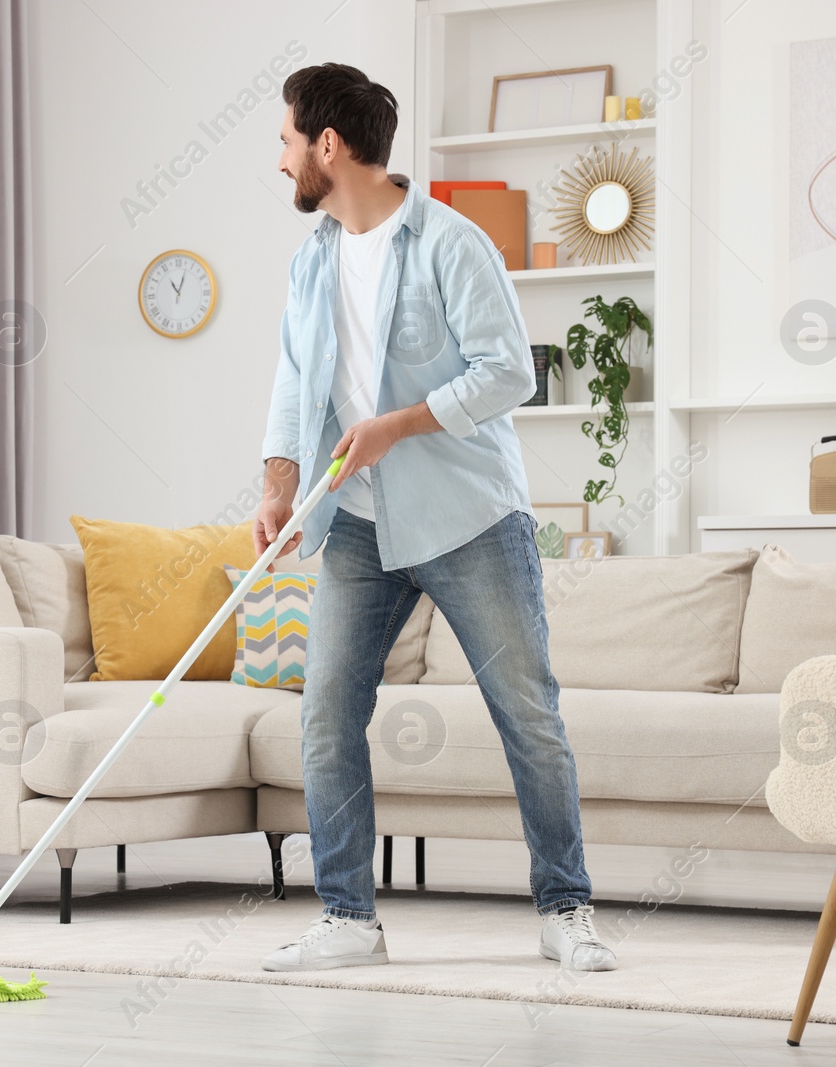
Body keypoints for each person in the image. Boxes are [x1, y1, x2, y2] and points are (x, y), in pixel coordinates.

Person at [253, 64, 616, 973]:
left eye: (288, 141)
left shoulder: (452, 243)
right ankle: (348, 918)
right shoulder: (311, 260)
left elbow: (508, 373)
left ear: (328, 146)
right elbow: (294, 383)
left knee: (527, 714)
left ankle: (566, 908)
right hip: (357, 528)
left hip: (468, 518)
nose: (283, 158)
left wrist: (396, 427)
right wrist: (276, 485)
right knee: (328, 716)